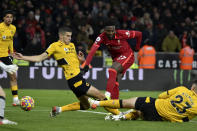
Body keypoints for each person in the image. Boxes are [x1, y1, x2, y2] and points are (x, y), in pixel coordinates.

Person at [13, 27, 121, 117]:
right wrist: (23, 57)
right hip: (75, 79)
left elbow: (74, 62)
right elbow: (39, 58)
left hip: (76, 79)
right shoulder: (55, 46)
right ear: (61, 36)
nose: (70, 38)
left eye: (70, 36)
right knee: (101, 97)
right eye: (68, 36)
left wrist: (81, 60)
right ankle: (120, 114)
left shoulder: (72, 46)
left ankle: (59, 109)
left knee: (85, 105)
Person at [81, 19, 142, 99]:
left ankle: (106, 95)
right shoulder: (101, 37)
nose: (110, 33)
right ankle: (114, 105)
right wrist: (86, 64)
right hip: (116, 58)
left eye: (112, 31)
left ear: (115, 30)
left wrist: (137, 48)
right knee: (115, 81)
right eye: (108, 31)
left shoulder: (122, 33)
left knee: (112, 69)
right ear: (104, 30)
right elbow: (92, 51)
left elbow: (139, 34)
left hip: (127, 55)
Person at [89, 80, 197, 122]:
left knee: (126, 102)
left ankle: (97, 103)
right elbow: (185, 119)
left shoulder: (182, 89)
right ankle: (122, 117)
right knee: (139, 113)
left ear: (192, 88)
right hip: (159, 119)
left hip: (155, 105)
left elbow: (160, 96)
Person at [0, 10, 20, 106]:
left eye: (11, 17)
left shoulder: (13, 28)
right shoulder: (0, 27)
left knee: (13, 76)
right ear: (3, 18)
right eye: (7, 17)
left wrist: (11, 52)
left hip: (5, 55)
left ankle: (15, 99)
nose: (9, 19)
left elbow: (10, 40)